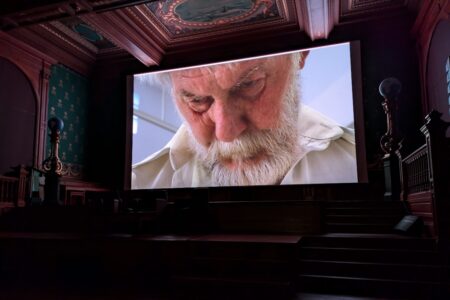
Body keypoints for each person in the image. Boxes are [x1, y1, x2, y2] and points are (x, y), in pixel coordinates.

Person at [132, 51, 357, 189]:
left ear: (301, 55)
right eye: (197, 101)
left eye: (250, 84)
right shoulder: (141, 182)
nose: (226, 133)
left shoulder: (354, 163)